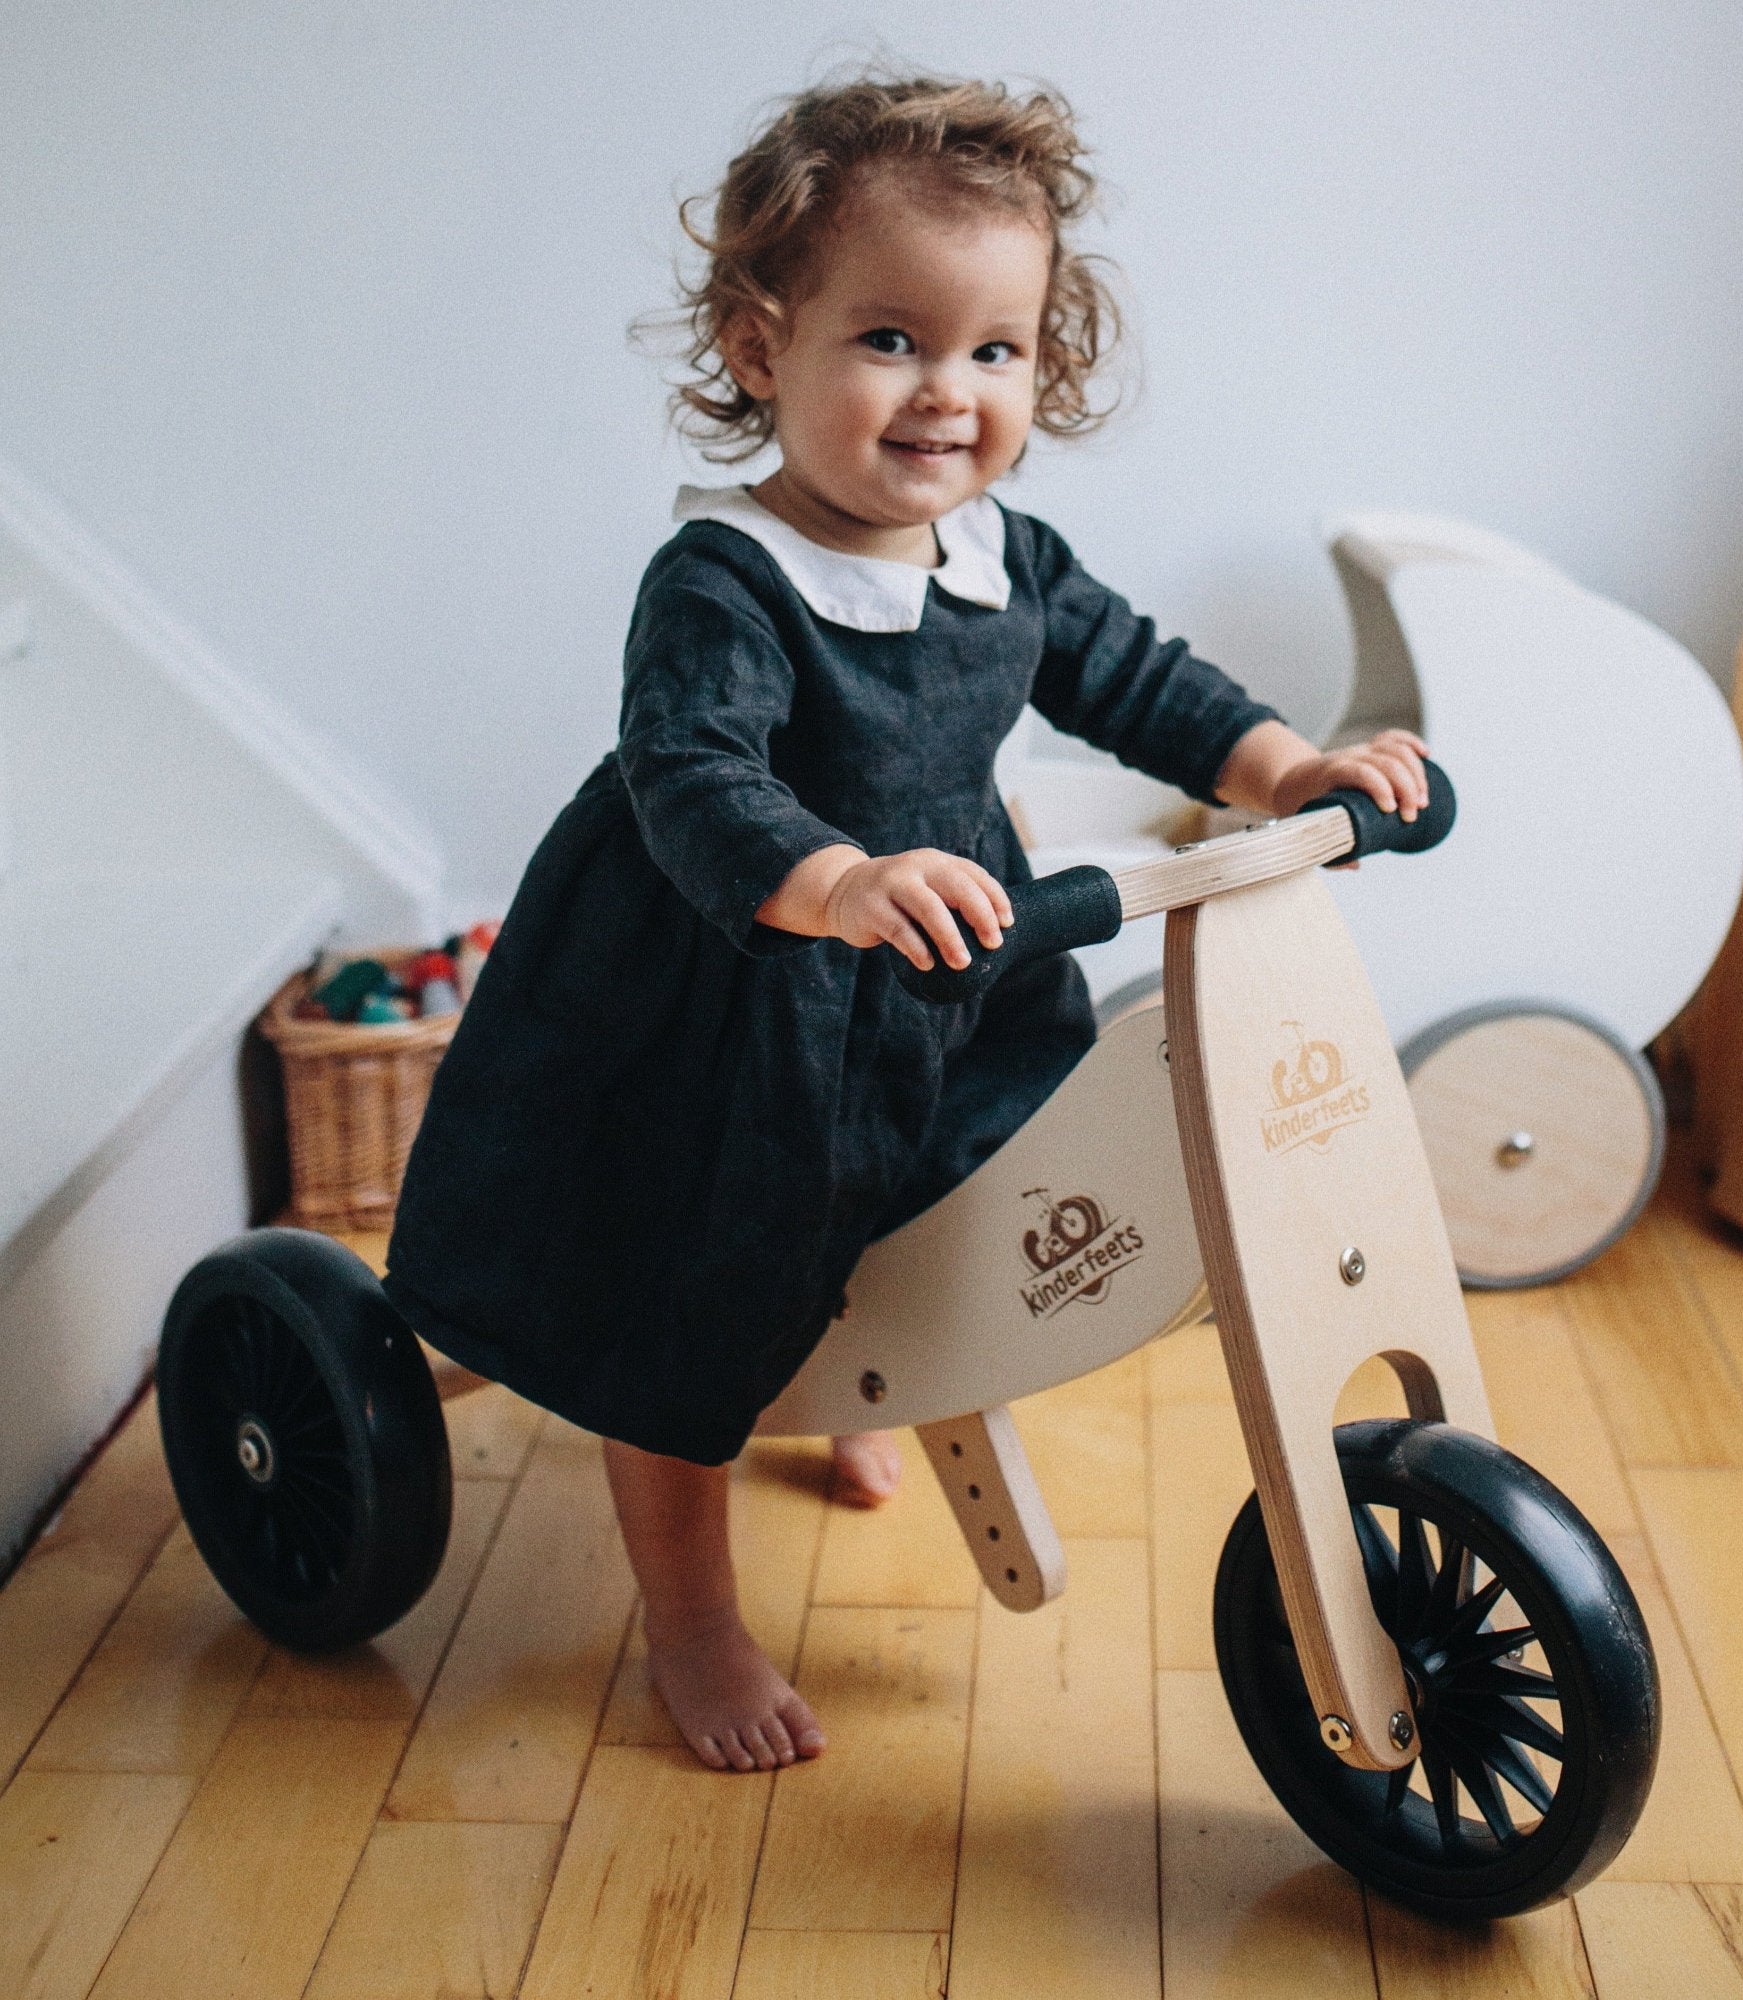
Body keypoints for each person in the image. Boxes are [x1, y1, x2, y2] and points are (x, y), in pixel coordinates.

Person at [383, 71, 1428, 1775]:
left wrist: (1285, 763)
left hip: (938, 966)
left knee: (960, 1193)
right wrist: (835, 880)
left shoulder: (995, 552)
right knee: (697, 1286)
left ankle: (866, 1357)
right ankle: (697, 1618)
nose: (948, 394)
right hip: (728, 985)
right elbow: (693, 775)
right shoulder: (727, 582)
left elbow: (1131, 676)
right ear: (757, 345)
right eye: (890, 339)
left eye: (995, 350)